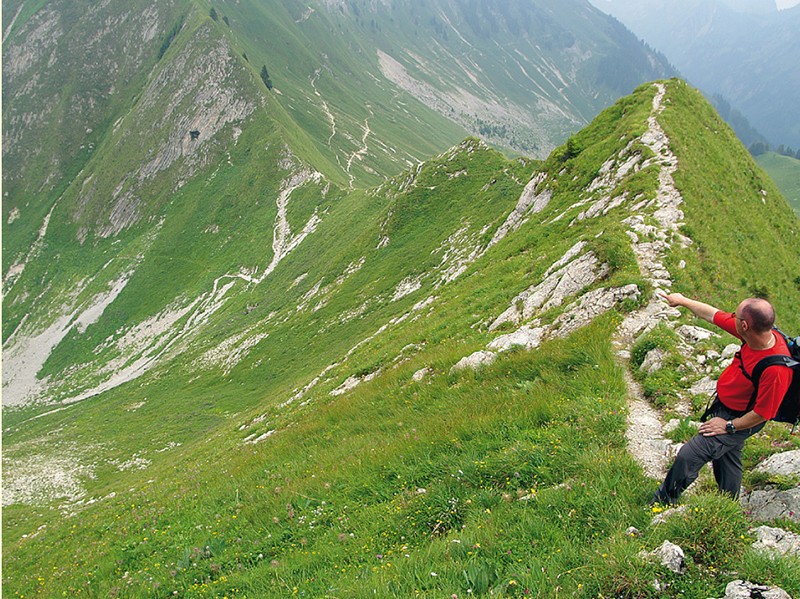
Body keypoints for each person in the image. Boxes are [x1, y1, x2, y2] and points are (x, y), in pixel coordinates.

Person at [651, 293, 792, 505]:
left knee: (689, 456)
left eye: (736, 316)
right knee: (727, 459)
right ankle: (728, 506)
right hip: (727, 407)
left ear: (745, 325)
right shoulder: (753, 335)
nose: (732, 317)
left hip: (741, 418)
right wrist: (682, 300)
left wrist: (729, 426)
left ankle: (661, 503)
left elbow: (764, 413)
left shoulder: (776, 370)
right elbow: (713, 315)